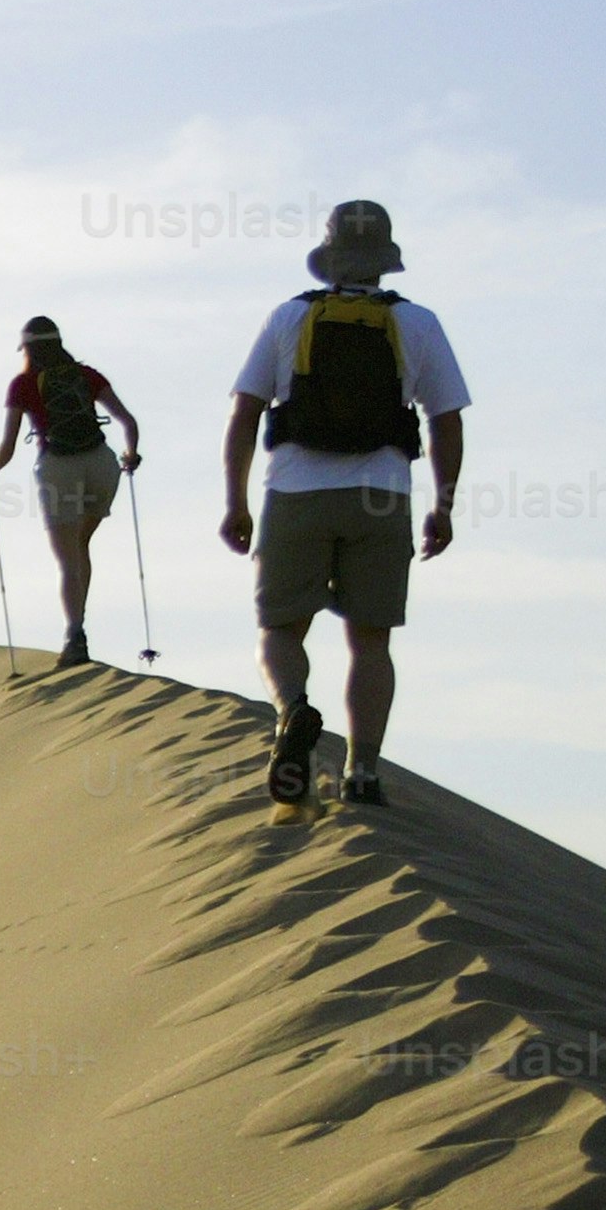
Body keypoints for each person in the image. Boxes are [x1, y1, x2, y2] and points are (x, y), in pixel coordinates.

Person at [218, 197, 470, 807]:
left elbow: (245, 414)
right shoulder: (419, 323)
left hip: (296, 492)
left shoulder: (287, 318)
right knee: (372, 642)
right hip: (381, 497)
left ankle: (292, 711)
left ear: (329, 257)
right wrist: (444, 504)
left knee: (279, 629)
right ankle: (361, 771)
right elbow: (446, 422)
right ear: (384, 261)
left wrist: (236, 502)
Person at [0, 319, 139, 668]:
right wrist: (131, 454)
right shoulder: (87, 375)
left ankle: (74, 635)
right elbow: (128, 423)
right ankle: (78, 627)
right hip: (101, 465)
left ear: (27, 350)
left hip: (58, 467)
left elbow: (7, 447)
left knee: (67, 559)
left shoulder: (22, 385)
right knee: (81, 545)